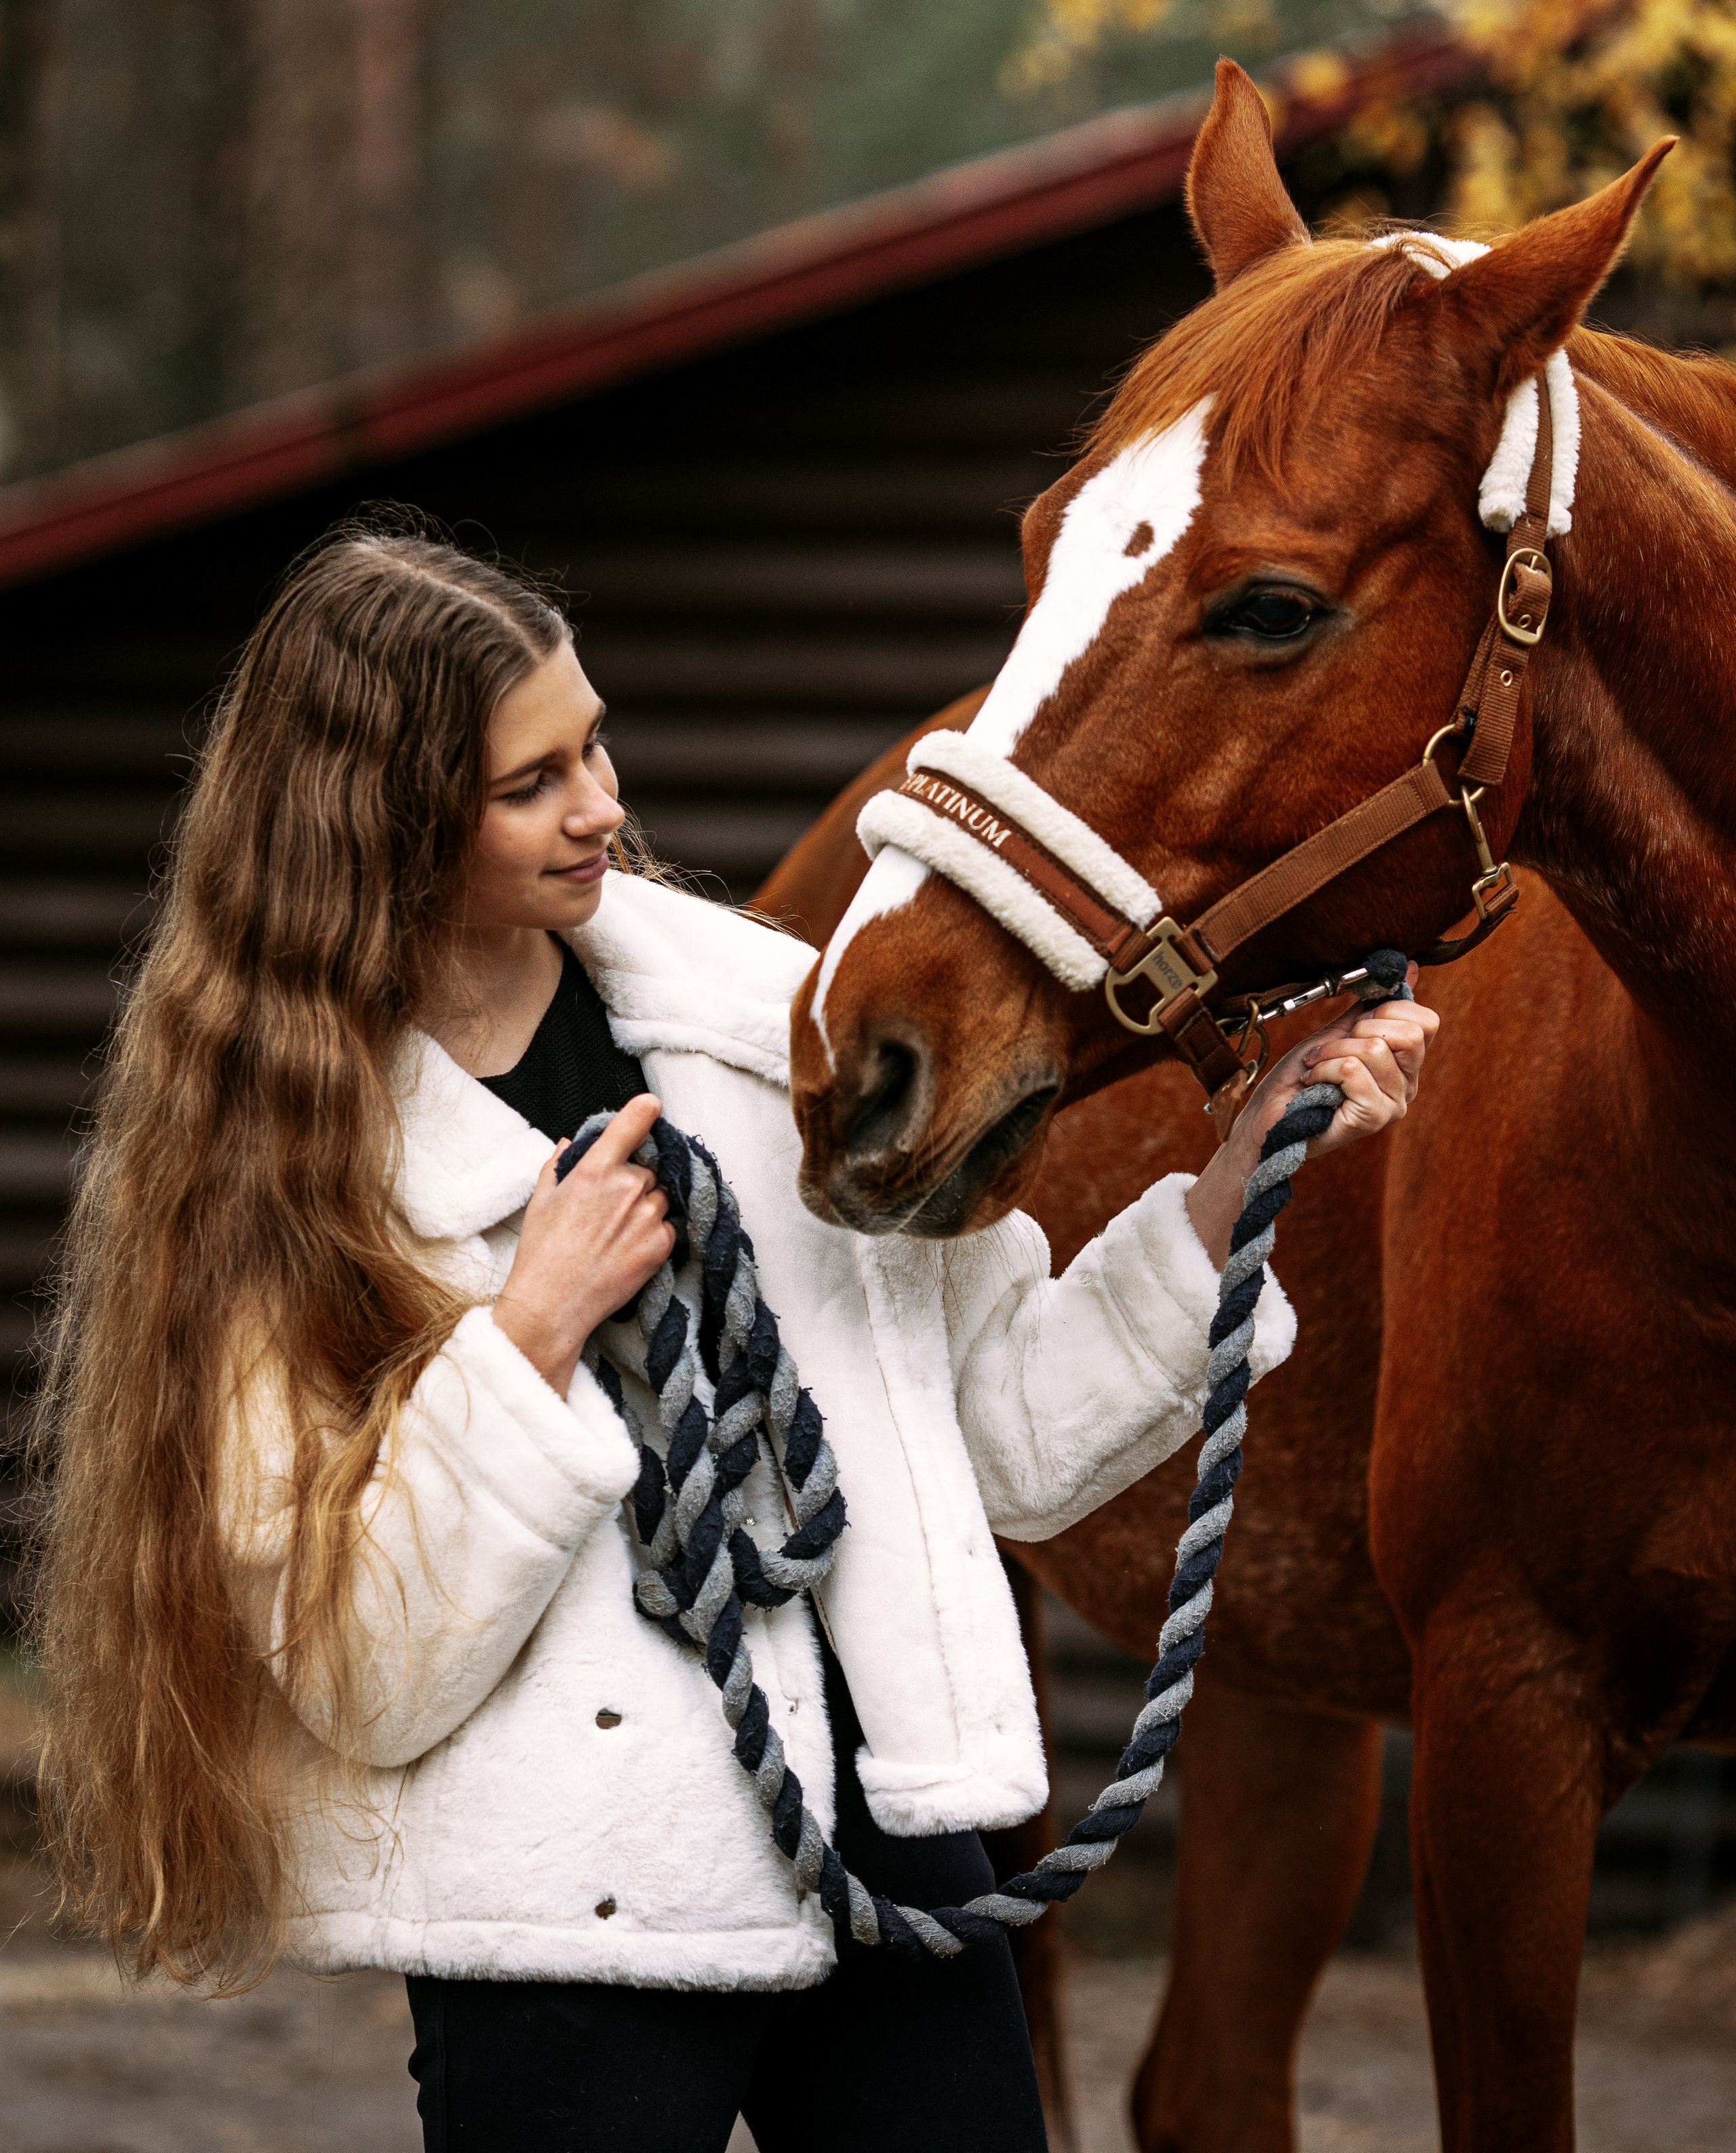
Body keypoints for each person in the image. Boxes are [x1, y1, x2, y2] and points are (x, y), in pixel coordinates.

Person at [36, 526, 1437, 2153]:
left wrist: (1224, 1184)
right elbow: (360, 1676)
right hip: (573, 1921)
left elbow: (1005, 1439)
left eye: (596, 742)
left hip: (883, 1862)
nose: (603, 807)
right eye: (530, 783)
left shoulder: (766, 1029)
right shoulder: (277, 1181)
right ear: (388, 824)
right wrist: (525, 1339)